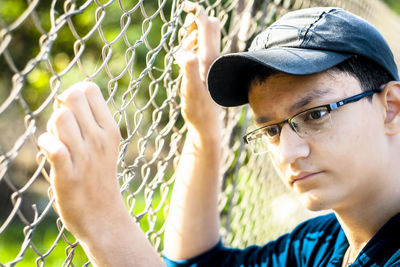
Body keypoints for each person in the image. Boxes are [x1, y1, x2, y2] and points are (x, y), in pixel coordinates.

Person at [37, 4, 400, 267]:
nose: (288, 152)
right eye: (271, 130)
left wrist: (104, 224)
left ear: (391, 107)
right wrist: (203, 130)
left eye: (315, 115)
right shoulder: (323, 245)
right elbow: (201, 262)